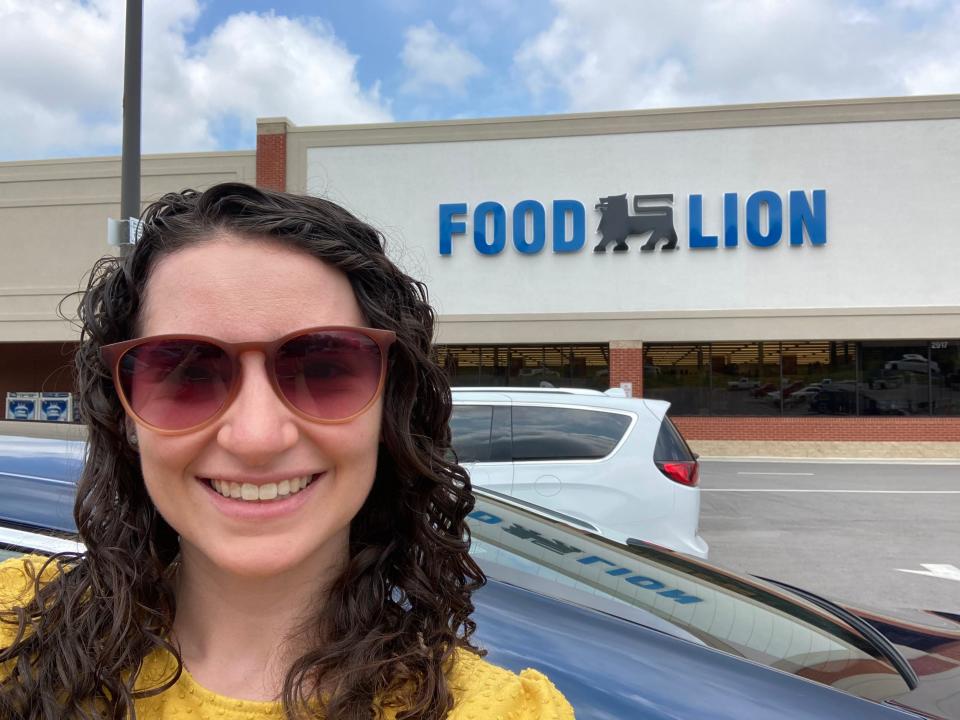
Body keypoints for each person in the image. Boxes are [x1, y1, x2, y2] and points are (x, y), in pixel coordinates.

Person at [0, 183, 575, 719]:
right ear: (126, 418)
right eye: (187, 374)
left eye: (324, 369)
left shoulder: (495, 710)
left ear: (388, 409)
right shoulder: (12, 630)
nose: (255, 438)